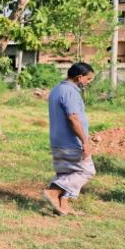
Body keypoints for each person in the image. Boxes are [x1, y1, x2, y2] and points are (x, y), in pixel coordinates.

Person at [41, 62, 96, 216]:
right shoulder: (70, 92)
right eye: (88, 79)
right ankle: (53, 191)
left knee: (66, 174)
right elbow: (73, 118)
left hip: (58, 140)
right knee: (87, 171)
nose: (88, 82)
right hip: (71, 142)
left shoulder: (57, 89)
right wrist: (85, 141)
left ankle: (63, 206)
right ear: (79, 77)